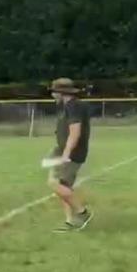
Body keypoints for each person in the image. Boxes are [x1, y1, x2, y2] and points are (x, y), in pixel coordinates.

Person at [47, 78, 93, 232]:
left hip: (71, 153)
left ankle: (82, 213)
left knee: (55, 183)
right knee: (64, 185)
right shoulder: (66, 106)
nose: (52, 94)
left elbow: (75, 132)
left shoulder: (74, 106)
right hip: (62, 150)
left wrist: (66, 154)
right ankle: (70, 221)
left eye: (54, 91)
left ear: (61, 92)